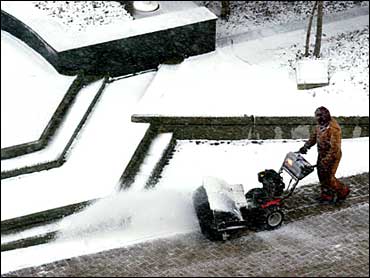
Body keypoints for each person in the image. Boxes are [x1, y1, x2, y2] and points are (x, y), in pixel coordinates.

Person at [299, 106, 350, 204]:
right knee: (321, 175)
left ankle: (343, 191)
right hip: (322, 153)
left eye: (318, 117)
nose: (317, 119)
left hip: (333, 156)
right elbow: (314, 137)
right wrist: (306, 146)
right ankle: (326, 195)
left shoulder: (333, 128)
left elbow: (335, 148)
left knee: (329, 178)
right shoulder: (320, 125)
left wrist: (326, 160)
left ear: (324, 116)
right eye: (316, 117)